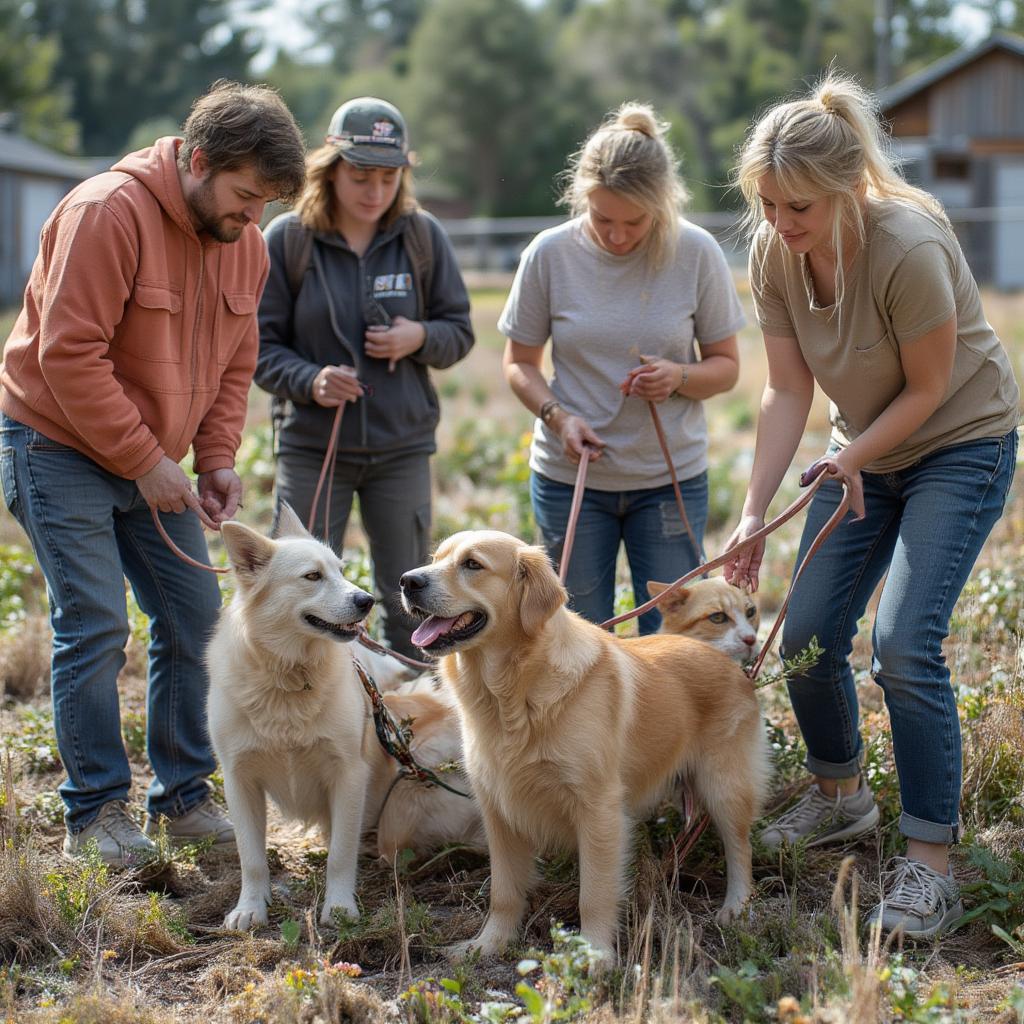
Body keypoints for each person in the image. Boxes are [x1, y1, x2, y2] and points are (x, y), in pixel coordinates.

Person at [723, 74, 1019, 939]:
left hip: (958, 444)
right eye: (768, 204)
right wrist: (751, 513)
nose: (781, 223)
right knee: (809, 636)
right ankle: (839, 793)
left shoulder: (907, 246)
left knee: (902, 643)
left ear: (848, 190)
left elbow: (929, 390)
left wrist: (848, 456)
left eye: (799, 208)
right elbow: (784, 392)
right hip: (862, 452)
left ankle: (931, 862)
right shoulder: (773, 252)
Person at [0, 81, 306, 867]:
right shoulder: (107, 213)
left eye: (265, 204)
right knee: (97, 625)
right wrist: (146, 463)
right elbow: (69, 355)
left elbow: (235, 364)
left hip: (158, 461)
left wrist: (214, 461)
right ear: (197, 160)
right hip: (57, 444)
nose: (252, 218)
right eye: (244, 196)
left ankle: (183, 797)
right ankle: (95, 813)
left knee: (196, 621)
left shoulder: (249, 242)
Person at [500, 103, 745, 634]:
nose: (616, 236)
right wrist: (558, 417)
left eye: (634, 222)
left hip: (667, 478)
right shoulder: (549, 254)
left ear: (663, 202)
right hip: (571, 482)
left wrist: (678, 377)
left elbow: (726, 368)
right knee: (578, 634)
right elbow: (519, 364)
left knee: (677, 637)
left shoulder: (696, 252)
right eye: (602, 219)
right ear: (581, 197)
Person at [255, 97, 474, 658]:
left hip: (400, 446)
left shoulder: (421, 237)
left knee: (413, 591)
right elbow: (256, 348)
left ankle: (413, 719)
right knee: (303, 594)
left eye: (387, 176)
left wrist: (418, 337)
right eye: (360, 176)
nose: (374, 191)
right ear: (329, 167)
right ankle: (318, 719)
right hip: (310, 446)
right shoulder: (287, 240)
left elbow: (460, 333)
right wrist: (310, 379)